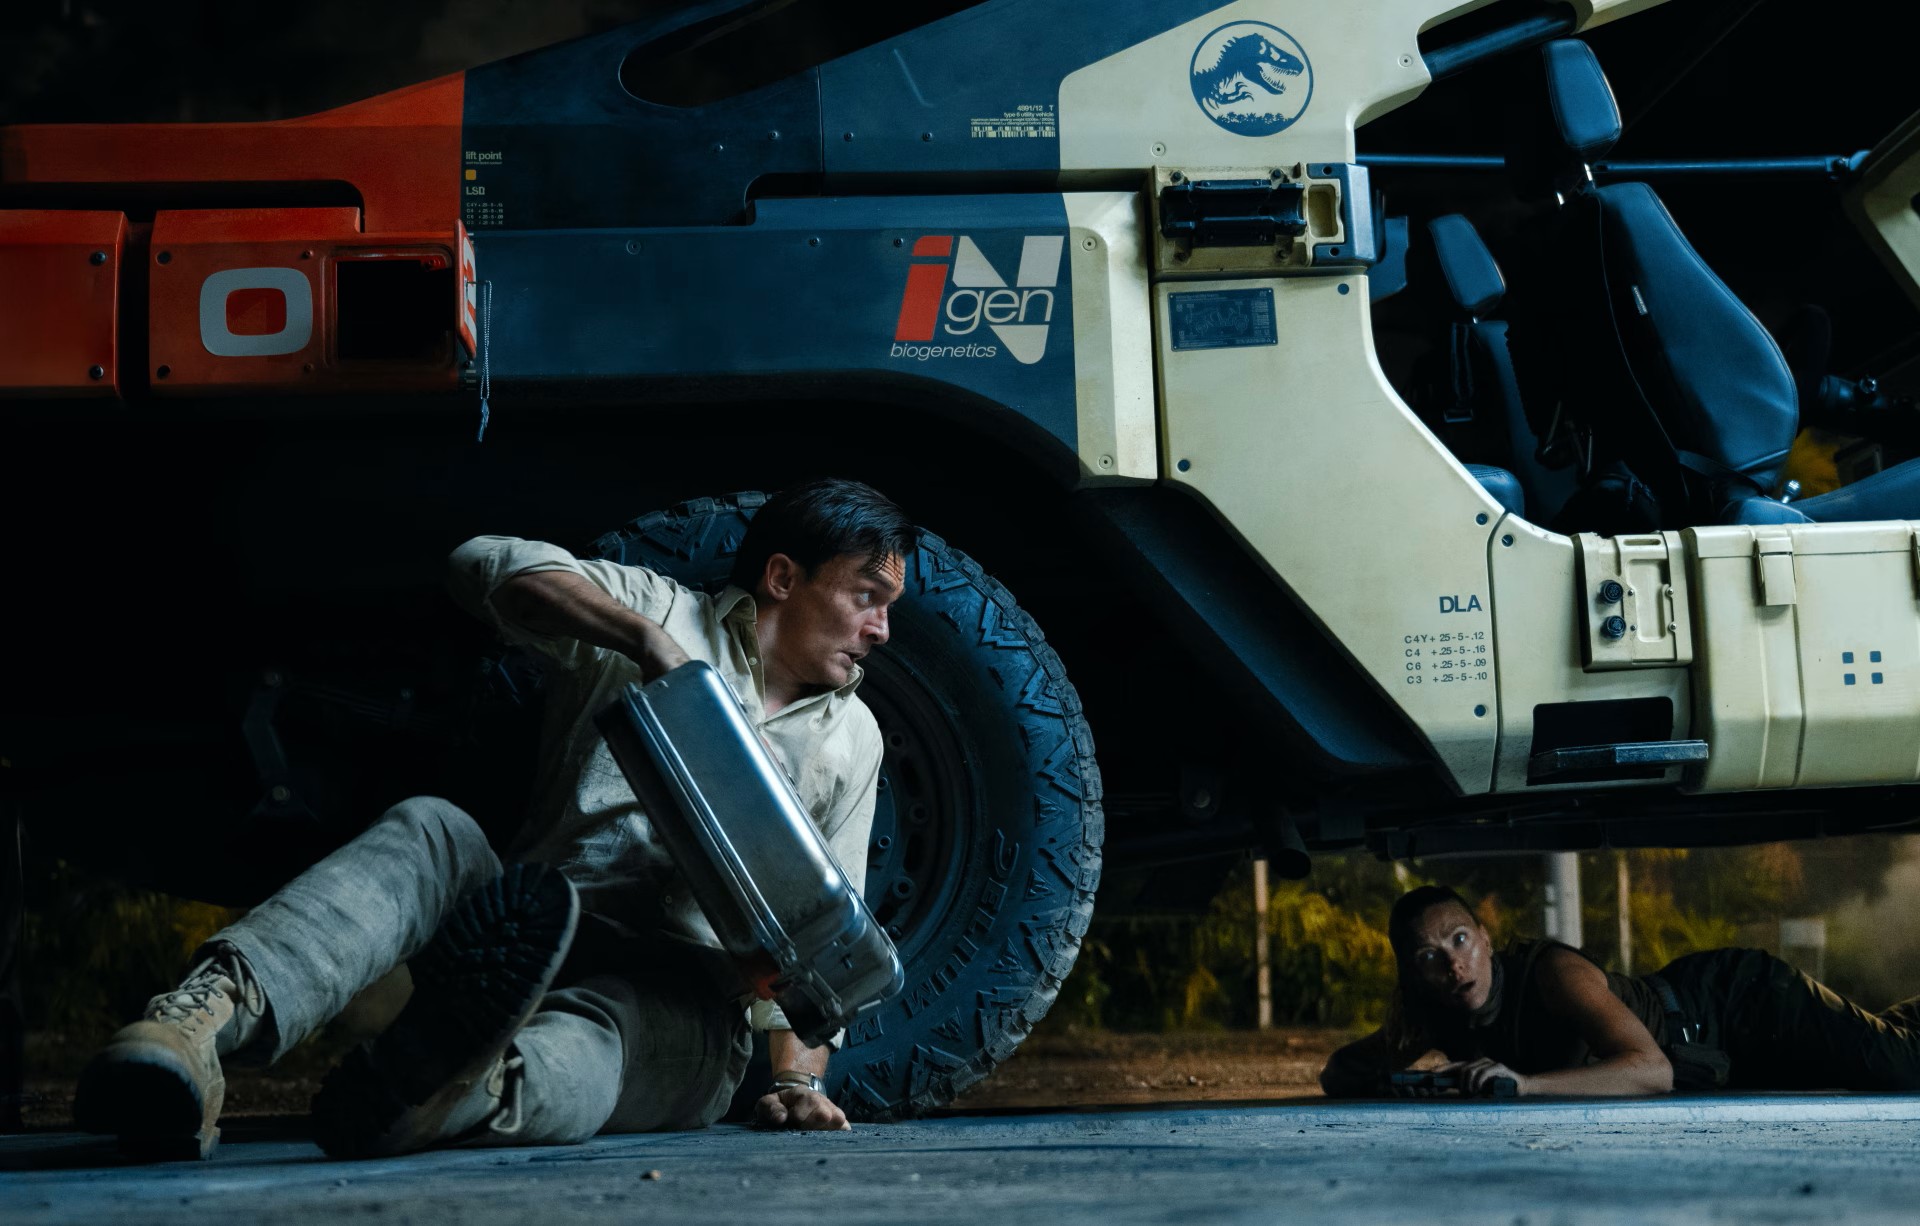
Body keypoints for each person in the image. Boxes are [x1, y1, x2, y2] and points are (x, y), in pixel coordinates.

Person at [75, 478, 915, 1158]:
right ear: (782, 578)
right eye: (865, 596)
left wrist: (798, 1083)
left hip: (681, 1002)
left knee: (601, 1043)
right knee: (434, 828)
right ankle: (189, 1034)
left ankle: (446, 1090)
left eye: (888, 608)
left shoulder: (856, 738)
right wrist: (646, 647)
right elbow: (482, 565)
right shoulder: (664, 613)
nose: (881, 629)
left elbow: (823, 950)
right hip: (534, 928)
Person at [1320, 885, 1920, 1098]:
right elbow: (1341, 1074)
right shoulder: (1436, 1007)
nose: (1453, 964)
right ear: (1413, 973)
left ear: (1486, 937)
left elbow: (1651, 1070)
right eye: (1429, 956)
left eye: (1459, 940)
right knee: (1870, 1054)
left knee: (1902, 1066)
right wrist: (1399, 1063)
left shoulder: (1551, 973)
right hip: (1723, 1060)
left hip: (1739, 1000)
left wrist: (1527, 1085)